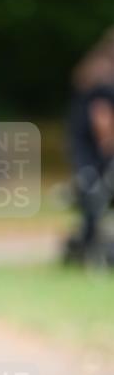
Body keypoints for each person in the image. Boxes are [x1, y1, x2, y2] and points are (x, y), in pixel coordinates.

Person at [63, 26, 114, 266]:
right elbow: (102, 122)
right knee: (97, 198)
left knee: (93, 202)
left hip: (84, 155)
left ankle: (85, 244)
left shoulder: (93, 71)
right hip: (97, 157)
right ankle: (92, 248)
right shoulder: (105, 79)